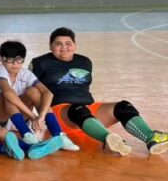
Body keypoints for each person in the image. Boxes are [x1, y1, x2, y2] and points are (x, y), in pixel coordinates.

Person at [31, 27, 168, 156]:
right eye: (58, 44)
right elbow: (30, 91)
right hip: (60, 114)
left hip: (88, 110)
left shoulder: (84, 61)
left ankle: (150, 138)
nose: (64, 47)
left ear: (75, 45)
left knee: (123, 107)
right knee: (78, 109)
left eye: (68, 43)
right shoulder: (40, 63)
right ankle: (108, 139)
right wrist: (34, 118)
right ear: (50, 46)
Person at [0, 40, 78, 153]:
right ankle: (27, 135)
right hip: (0, 119)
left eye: (19, 60)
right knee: (8, 94)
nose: (15, 64)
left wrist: (41, 116)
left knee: (34, 91)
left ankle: (58, 135)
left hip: (19, 119)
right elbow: (8, 93)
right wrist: (32, 115)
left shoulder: (25, 73)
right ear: (1, 59)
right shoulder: (0, 71)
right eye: (11, 60)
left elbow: (48, 92)